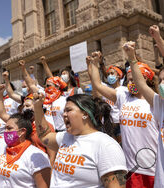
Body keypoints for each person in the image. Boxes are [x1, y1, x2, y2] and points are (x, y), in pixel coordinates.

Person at [89, 51, 159, 188]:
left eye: (135, 79)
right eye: (129, 80)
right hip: (132, 167)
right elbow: (97, 85)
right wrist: (94, 63)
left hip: (154, 167)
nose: (131, 83)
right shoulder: (123, 95)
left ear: (146, 80)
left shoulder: (155, 101)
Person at [33, 92, 127, 187]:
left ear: (85, 114)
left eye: (68, 110)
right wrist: (37, 107)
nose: (63, 114)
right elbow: (44, 136)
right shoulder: (65, 137)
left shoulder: (106, 145)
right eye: (64, 111)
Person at [0, 98, 51, 188]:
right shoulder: (2, 146)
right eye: (5, 128)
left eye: (9, 128)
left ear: (22, 131)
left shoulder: (37, 156)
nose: (5, 131)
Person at [122, 39, 164, 188]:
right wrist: (132, 57)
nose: (162, 84)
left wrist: (159, 40)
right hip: (149, 172)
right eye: (161, 80)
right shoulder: (159, 104)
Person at [0, 84, 56, 166]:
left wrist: (50, 174)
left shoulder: (46, 127)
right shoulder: (20, 123)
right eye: (23, 106)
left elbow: (52, 155)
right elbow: (2, 114)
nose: (25, 109)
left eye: (27, 106)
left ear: (37, 106)